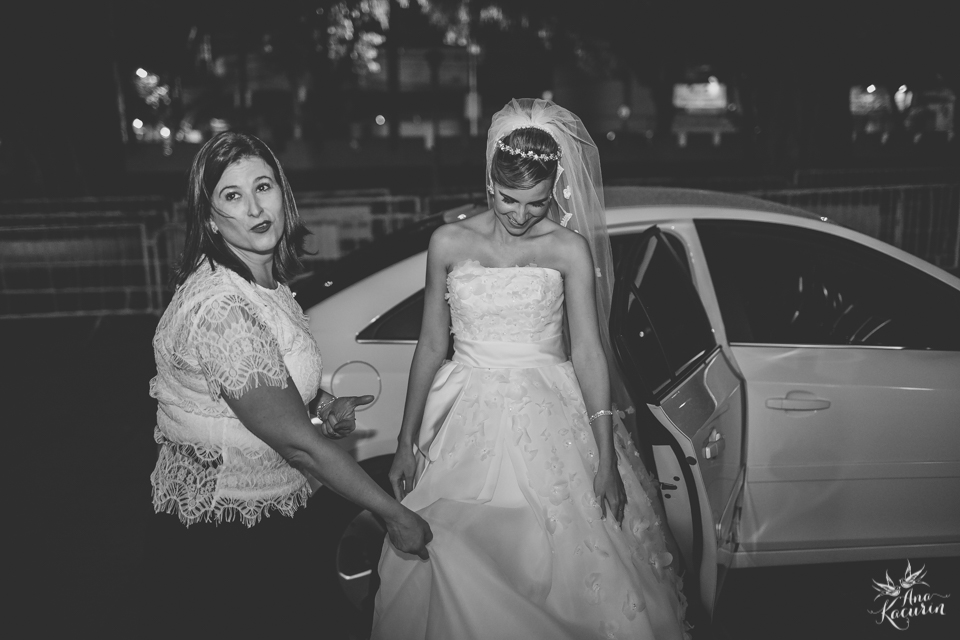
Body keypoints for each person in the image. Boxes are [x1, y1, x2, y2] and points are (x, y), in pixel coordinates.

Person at [372, 99, 691, 640]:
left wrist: (606, 457)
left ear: (555, 191)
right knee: (451, 545)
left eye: (537, 203)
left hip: (551, 417)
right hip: (465, 420)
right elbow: (430, 344)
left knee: (569, 565)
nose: (520, 215)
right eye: (508, 199)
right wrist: (405, 442)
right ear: (489, 182)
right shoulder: (448, 243)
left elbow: (587, 350)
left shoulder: (567, 249)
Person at [143, 131, 432, 635]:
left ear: (283, 192)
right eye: (233, 195)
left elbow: (264, 385)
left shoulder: (260, 282)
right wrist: (392, 514)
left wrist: (320, 404)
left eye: (263, 186)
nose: (256, 208)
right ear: (210, 217)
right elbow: (299, 446)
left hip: (266, 513)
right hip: (228, 531)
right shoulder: (223, 309)